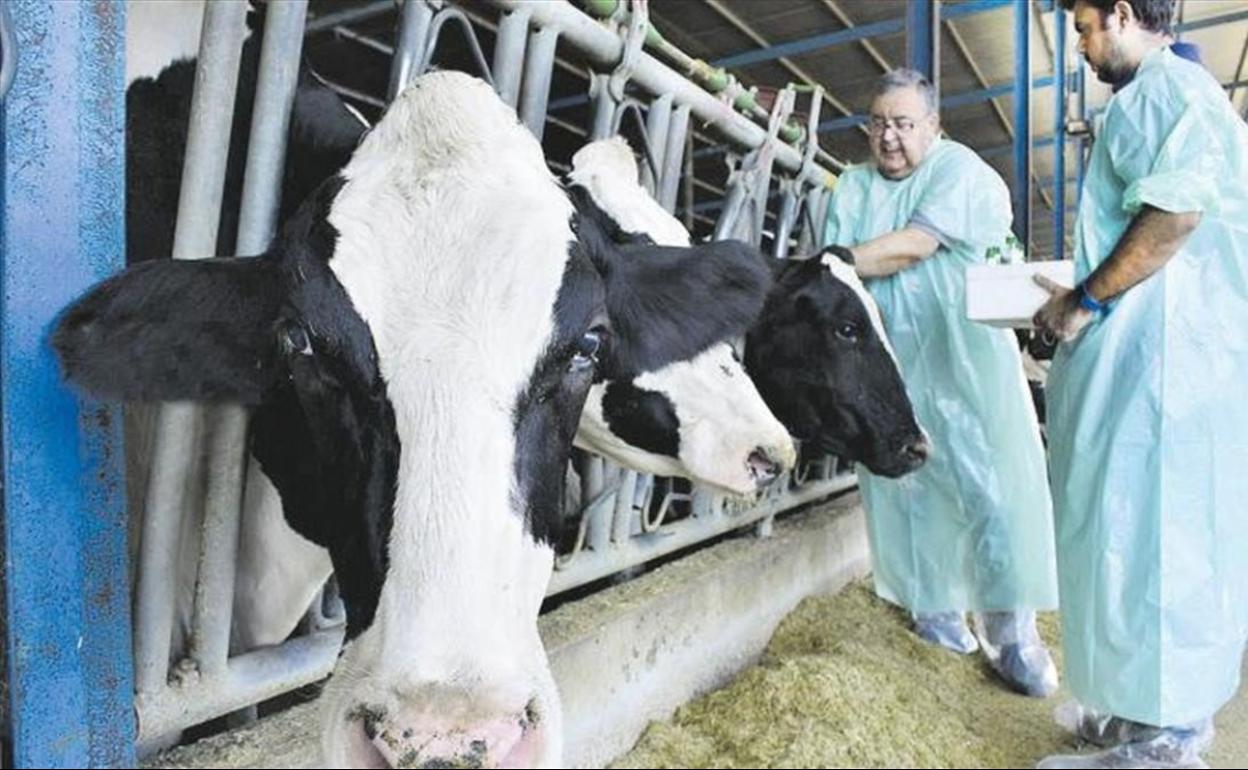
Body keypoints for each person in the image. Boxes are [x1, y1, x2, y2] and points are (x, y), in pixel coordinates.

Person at [1033, 1, 1248, 767]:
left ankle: (1166, 739)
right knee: (1138, 536)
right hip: (1167, 359)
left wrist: (1081, 299)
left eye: (1087, 28)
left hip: (1164, 366)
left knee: (1156, 540)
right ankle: (1141, 713)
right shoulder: (1175, 98)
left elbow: (1176, 213)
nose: (1085, 48)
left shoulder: (1163, 90)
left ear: (1122, 13)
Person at [823, 69, 1059, 697]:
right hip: (889, 372)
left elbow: (914, 245)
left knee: (990, 490)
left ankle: (1011, 632)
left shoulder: (959, 171)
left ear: (934, 126)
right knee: (909, 495)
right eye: (878, 123)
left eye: (903, 124)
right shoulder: (850, 187)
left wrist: (837, 262)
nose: (889, 137)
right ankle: (936, 617)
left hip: (963, 368)